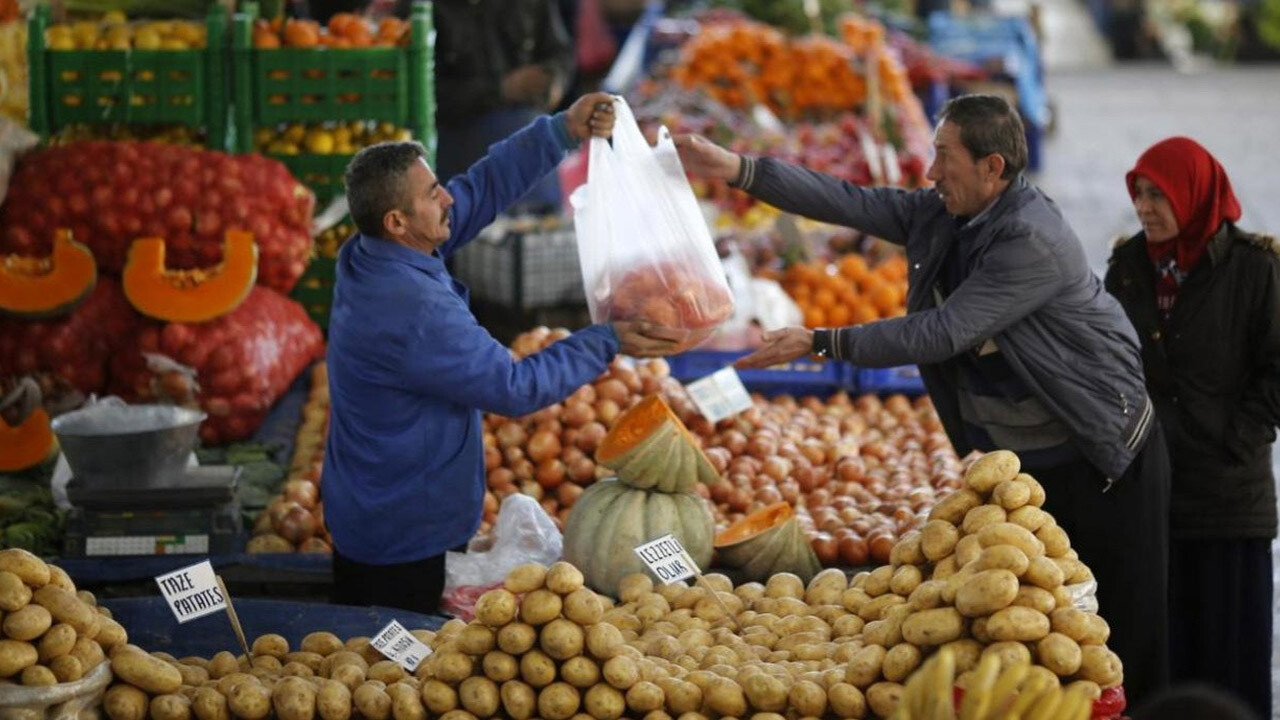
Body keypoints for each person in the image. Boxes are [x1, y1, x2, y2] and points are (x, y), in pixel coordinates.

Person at [674, 94, 1171, 704]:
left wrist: (821, 340)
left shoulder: (1028, 239)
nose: (930, 173)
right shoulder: (945, 212)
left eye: (944, 157)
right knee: (1040, 636)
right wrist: (739, 170)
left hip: (1100, 456)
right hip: (1027, 462)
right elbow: (850, 200)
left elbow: (943, 331)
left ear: (993, 167)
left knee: (1113, 634)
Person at [322, 92, 687, 614]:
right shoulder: (415, 310)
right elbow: (515, 388)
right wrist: (607, 339)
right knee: (397, 668)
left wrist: (560, 130)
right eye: (432, 194)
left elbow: (478, 191)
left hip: (370, 505)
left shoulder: (371, 253)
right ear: (398, 221)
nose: (446, 198)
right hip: (403, 536)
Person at [1104, 137, 1279, 720]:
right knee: (1163, 659)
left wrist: (1237, 437)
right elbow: (1106, 359)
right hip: (1154, 496)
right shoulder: (1127, 267)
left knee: (1229, 658)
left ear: (1195, 195)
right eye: (1140, 193)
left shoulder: (1255, 269)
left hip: (1229, 499)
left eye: (1160, 195)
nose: (1145, 207)